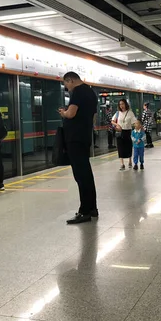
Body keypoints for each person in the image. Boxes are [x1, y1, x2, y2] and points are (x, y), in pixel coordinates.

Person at [58, 71, 98, 224]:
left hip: (74, 138)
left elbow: (71, 113)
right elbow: (93, 116)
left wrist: (63, 113)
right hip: (85, 136)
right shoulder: (91, 92)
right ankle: (93, 208)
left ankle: (85, 211)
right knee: (86, 173)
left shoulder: (78, 92)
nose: (66, 87)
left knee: (80, 175)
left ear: (70, 80)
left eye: (66, 84)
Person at [112, 98, 136, 171]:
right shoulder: (117, 113)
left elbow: (134, 122)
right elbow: (112, 121)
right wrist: (117, 125)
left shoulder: (130, 113)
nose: (121, 106)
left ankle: (130, 161)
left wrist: (138, 128)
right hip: (120, 132)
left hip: (127, 131)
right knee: (120, 148)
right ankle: (122, 164)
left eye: (122, 104)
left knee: (129, 146)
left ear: (125, 104)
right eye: (120, 104)